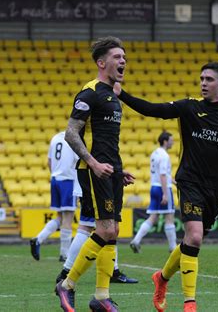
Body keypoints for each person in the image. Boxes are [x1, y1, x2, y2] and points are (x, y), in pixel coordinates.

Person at [115, 62, 218, 312]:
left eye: (209, 79)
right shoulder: (189, 107)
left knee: (192, 241)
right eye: (202, 78)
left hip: (216, 189)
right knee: (194, 237)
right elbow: (153, 110)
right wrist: (123, 95)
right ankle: (189, 303)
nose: (203, 83)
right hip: (190, 181)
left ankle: (161, 278)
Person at [55, 36, 135, 312]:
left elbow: (107, 139)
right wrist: (93, 163)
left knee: (113, 231)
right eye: (116, 57)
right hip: (93, 171)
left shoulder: (114, 97)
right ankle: (66, 285)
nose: (122, 61)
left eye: (124, 57)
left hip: (112, 170)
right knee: (103, 229)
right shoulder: (89, 92)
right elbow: (71, 132)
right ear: (102, 63)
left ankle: (101, 296)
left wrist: (119, 170)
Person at [55, 173, 138, 285]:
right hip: (95, 184)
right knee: (89, 228)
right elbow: (98, 158)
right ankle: (66, 272)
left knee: (107, 228)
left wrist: (116, 174)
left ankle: (113, 271)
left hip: (96, 182)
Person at [30, 131, 78, 262]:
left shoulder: (55, 137)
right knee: (68, 218)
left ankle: (38, 239)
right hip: (68, 181)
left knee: (60, 217)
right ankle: (64, 254)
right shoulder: (75, 139)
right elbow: (79, 162)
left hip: (55, 179)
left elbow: (49, 161)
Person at [130, 131, 177, 254]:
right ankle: (173, 247)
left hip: (154, 188)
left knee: (153, 217)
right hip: (163, 189)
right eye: (171, 140)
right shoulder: (165, 156)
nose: (173, 142)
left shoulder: (155, 153)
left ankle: (136, 240)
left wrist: (173, 181)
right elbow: (162, 175)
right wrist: (166, 194)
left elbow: (162, 173)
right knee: (169, 217)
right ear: (165, 141)